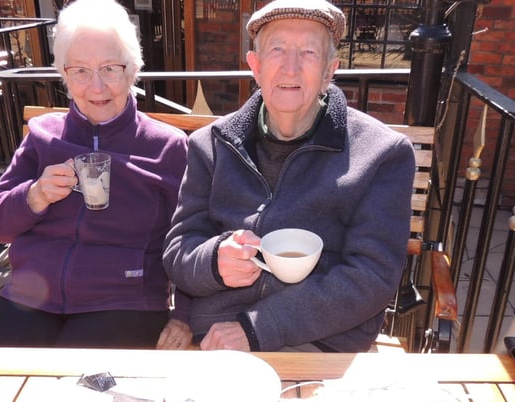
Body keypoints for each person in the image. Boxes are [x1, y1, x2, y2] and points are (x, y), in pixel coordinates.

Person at [163, 0, 415, 352]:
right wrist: (214, 260)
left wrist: (256, 329)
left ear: (330, 70)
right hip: (215, 334)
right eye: (277, 49)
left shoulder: (381, 153)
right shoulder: (211, 145)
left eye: (309, 52)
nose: (291, 68)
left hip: (321, 339)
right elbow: (178, 252)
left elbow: (372, 277)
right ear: (256, 65)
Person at [0, 0, 191, 348]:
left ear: (132, 70)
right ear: (64, 74)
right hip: (32, 296)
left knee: (83, 397)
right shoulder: (43, 134)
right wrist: (35, 195)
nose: (96, 87)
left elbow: (190, 237)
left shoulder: (166, 147)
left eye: (109, 68)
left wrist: (184, 315)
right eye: (80, 70)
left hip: (124, 300)